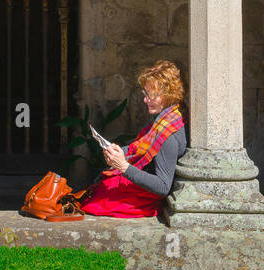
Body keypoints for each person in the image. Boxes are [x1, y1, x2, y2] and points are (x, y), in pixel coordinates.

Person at [79, 60, 187, 218]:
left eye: (151, 95)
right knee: (99, 188)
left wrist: (123, 166)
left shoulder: (168, 134)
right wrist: (119, 151)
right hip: (140, 187)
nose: (145, 100)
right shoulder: (168, 118)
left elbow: (163, 187)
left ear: (167, 95)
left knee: (94, 202)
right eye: (145, 94)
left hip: (146, 198)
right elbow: (144, 147)